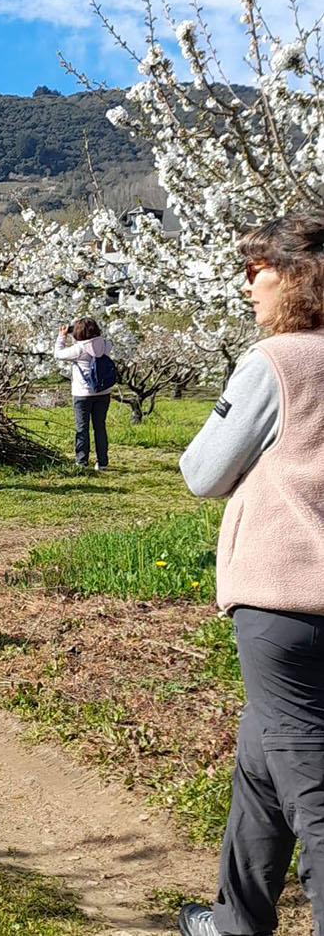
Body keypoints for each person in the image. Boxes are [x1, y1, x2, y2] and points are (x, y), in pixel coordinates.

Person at [173, 214, 324, 936]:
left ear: (294, 277)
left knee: (311, 788)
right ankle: (237, 919)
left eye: (257, 268)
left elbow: (203, 470)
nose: (247, 283)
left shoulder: (278, 359)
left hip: (285, 596)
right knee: (261, 762)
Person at [54, 317, 116, 469]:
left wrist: (62, 336)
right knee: (100, 427)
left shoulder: (79, 349)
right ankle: (102, 462)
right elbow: (107, 341)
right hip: (103, 393)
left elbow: (58, 354)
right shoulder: (106, 345)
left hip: (82, 394)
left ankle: (81, 462)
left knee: (82, 428)